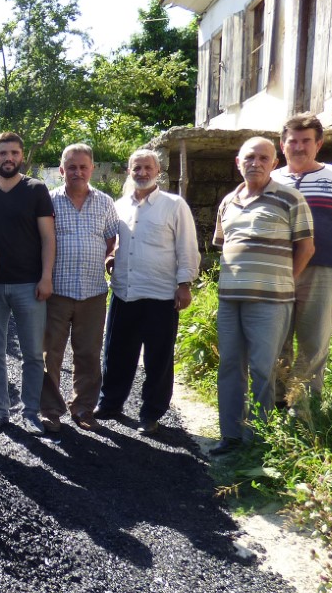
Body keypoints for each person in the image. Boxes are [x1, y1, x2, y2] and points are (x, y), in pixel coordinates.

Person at [211, 137, 315, 456]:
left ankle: (258, 440)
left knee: (262, 369)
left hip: (271, 301)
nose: (255, 163)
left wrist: (283, 281)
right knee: (229, 366)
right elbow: (224, 247)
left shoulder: (290, 198)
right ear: (238, 162)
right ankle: (230, 436)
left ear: (274, 163)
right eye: (249, 157)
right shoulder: (228, 202)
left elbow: (307, 248)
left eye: (263, 158)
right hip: (230, 300)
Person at [93, 149, 200, 435]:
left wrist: (184, 284)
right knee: (116, 352)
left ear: (158, 171)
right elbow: (115, 242)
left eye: (147, 168)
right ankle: (110, 403)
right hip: (124, 292)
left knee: (158, 359)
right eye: (136, 168)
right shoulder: (118, 206)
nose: (142, 173)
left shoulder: (174, 205)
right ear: (129, 171)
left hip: (161, 294)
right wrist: (110, 257)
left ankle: (151, 413)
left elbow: (187, 246)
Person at [272, 113, 332, 404]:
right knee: (275, 337)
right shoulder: (271, 180)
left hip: (322, 270)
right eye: (293, 141)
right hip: (276, 270)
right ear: (282, 144)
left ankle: (303, 408)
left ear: (319, 144)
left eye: (306, 141)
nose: (299, 147)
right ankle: (277, 401)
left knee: (314, 341)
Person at [0, 132, 54, 436]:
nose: (9, 158)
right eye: (3, 153)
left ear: (21, 156)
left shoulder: (36, 189)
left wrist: (46, 277)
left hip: (29, 285)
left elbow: (48, 238)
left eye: (14, 153)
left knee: (33, 354)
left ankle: (30, 413)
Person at [42, 143, 119, 432]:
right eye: (71, 167)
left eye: (83, 167)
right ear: (62, 170)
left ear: (92, 169)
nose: (77, 172)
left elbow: (112, 240)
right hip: (56, 292)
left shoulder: (105, 202)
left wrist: (109, 258)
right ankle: (50, 410)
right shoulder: (48, 202)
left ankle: (84, 408)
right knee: (50, 353)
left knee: (88, 354)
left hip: (93, 292)